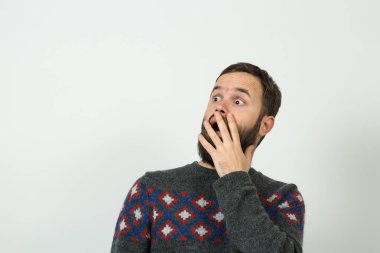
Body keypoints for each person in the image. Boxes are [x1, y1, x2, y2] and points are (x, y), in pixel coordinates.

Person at [110, 62, 305, 253]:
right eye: (216, 97)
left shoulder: (283, 197)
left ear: (265, 125)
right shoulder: (150, 189)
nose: (219, 107)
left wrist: (234, 179)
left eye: (238, 101)